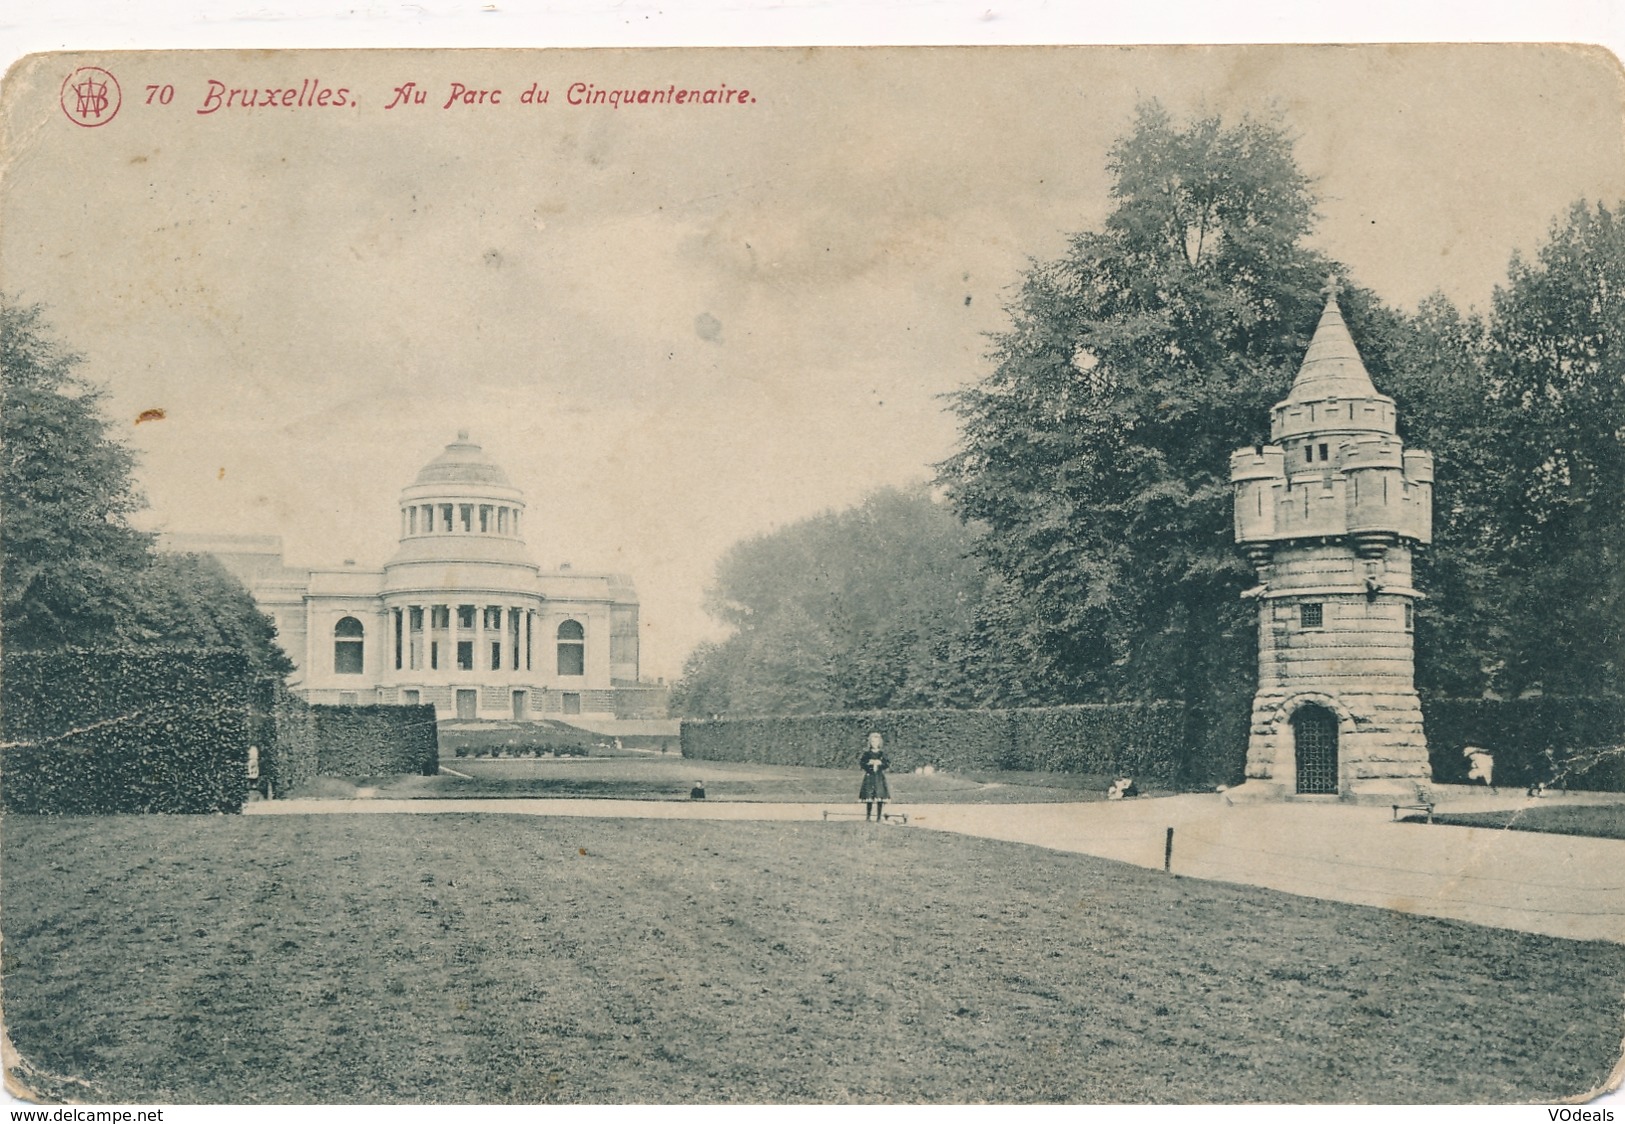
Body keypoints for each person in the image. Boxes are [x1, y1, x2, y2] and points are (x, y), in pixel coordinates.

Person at [859, 731, 890, 822]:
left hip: (879, 777)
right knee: (869, 796)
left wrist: (880, 763)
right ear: (870, 743)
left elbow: (887, 763)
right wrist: (869, 763)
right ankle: (868, 816)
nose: (874, 744)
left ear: (879, 742)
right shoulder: (867, 754)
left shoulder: (882, 754)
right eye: (872, 742)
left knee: (879, 795)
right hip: (870, 777)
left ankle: (879, 817)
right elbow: (862, 763)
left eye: (876, 742)